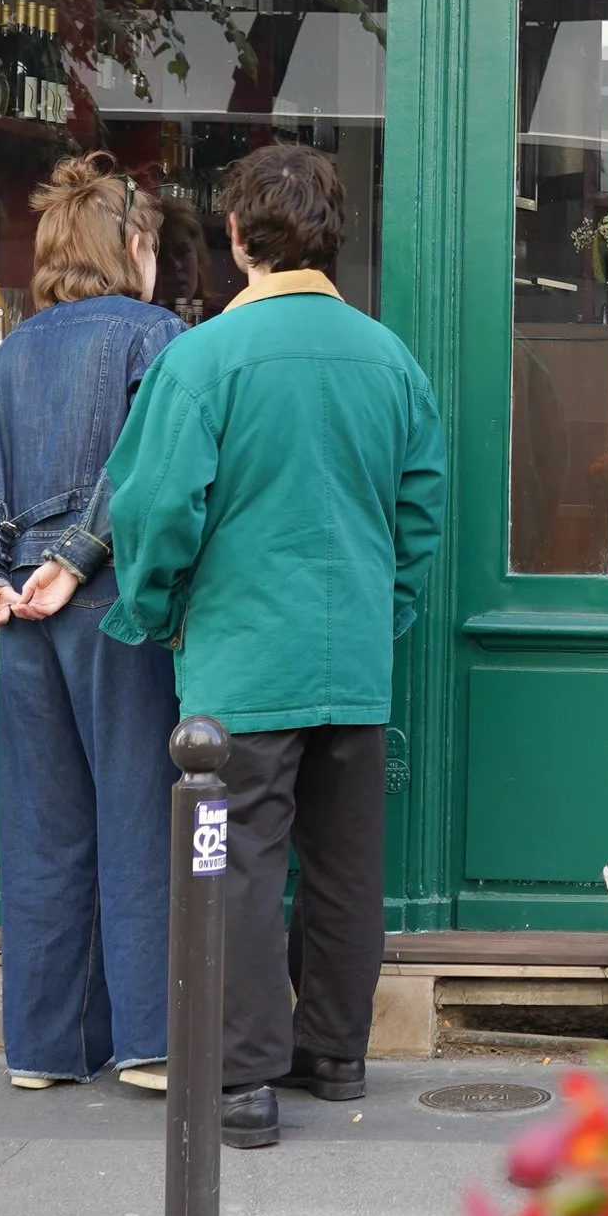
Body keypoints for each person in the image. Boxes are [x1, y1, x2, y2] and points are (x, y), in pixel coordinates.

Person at [101, 141, 446, 1150]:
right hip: (353, 667)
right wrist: (386, 613)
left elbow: (157, 509)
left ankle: (242, 1082)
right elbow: (417, 516)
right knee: (344, 866)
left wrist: (159, 610)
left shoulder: (201, 359)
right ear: (330, 238)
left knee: (235, 863)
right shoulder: (390, 360)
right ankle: (334, 1056)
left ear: (239, 237)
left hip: (240, 664)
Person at [0, 154, 181, 1092]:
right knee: (136, 817)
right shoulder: (154, 335)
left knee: (44, 829)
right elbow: (144, 469)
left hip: (23, 616)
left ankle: (45, 1049)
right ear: (132, 246)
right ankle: (150, 1042)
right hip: (110, 605)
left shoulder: (11, 350)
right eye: (151, 243)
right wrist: (76, 558)